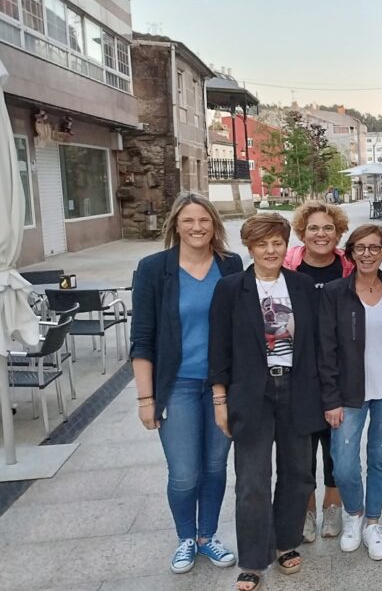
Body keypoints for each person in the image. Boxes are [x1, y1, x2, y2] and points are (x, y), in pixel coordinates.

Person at [209, 213, 325, 591]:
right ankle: (253, 559)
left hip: (297, 389)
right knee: (252, 480)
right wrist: (220, 399)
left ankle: (285, 541)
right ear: (250, 247)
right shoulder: (230, 289)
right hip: (252, 394)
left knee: (298, 473)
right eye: (262, 244)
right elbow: (219, 348)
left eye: (277, 242)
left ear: (286, 245)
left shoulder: (302, 285)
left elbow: (317, 343)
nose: (271, 250)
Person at [131, 192, 242, 575]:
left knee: (214, 466)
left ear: (215, 225)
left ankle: (207, 536)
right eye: (189, 220)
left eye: (204, 220)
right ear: (176, 225)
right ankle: (185, 538)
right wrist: (145, 398)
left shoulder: (230, 265)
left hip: (222, 385)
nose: (197, 227)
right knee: (184, 473)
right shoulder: (153, 269)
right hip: (177, 385)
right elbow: (142, 338)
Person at [318, 224, 382, 561]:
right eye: (360, 247)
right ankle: (353, 514)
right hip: (348, 392)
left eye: (374, 248)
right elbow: (326, 349)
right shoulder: (335, 292)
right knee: (343, 465)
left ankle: (373, 522)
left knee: (379, 460)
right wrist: (330, 398)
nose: (367, 254)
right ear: (351, 252)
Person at [282, 200, 353, 543]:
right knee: (302, 447)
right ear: (302, 233)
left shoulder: (350, 268)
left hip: (341, 370)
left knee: (336, 445)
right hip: (298, 371)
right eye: (313, 228)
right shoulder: (286, 268)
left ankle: (332, 506)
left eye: (328, 228)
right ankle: (307, 509)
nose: (321, 234)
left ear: (338, 233)